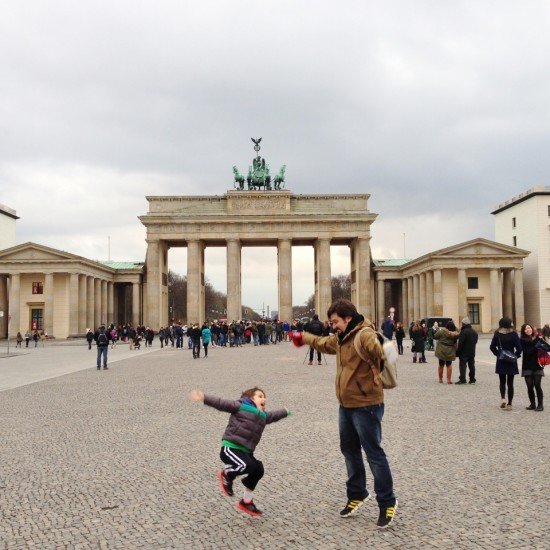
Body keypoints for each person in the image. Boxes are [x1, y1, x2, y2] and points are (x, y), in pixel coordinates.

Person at [290, 298, 398, 529]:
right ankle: (357, 493)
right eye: (331, 322)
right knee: (349, 451)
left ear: (348, 318)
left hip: (367, 404)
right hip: (346, 404)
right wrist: (303, 338)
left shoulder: (364, 334)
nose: (333, 326)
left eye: (335, 321)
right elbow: (322, 343)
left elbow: (383, 351)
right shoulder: (342, 338)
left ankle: (387, 501)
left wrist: (384, 347)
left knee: (374, 454)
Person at [189, 386, 290, 517]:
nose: (263, 398)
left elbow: (273, 416)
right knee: (247, 465)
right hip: (230, 448)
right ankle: (227, 474)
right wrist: (204, 397)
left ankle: (246, 501)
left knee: (258, 469)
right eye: (260, 396)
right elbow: (221, 403)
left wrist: (285, 411)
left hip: (245, 452)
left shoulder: (263, 416)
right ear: (250, 398)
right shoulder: (240, 406)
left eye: (264, 397)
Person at [489, 317, 522, 410]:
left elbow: (492, 347)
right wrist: (515, 356)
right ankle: (510, 404)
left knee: (502, 381)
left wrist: (498, 354)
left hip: (501, 359)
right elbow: (519, 348)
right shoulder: (514, 334)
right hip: (511, 359)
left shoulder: (497, 334)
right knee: (510, 383)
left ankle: (503, 398)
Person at [520, 324, 545, 411]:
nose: (528, 330)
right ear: (523, 331)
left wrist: (542, 343)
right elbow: (527, 352)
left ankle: (540, 405)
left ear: (532, 329)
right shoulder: (522, 340)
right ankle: (532, 404)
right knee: (530, 386)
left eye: (529, 328)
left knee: (537, 385)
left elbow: (546, 348)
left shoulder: (538, 338)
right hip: (527, 365)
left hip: (538, 365)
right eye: (525, 329)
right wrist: (536, 345)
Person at [456, 317, 478, 384]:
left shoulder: (463, 332)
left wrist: (458, 352)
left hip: (464, 352)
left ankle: (463, 379)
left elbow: (460, 343)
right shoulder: (474, 332)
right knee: (471, 366)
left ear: (463, 324)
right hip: (472, 351)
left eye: (462, 323)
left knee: (463, 366)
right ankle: (472, 379)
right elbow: (475, 341)